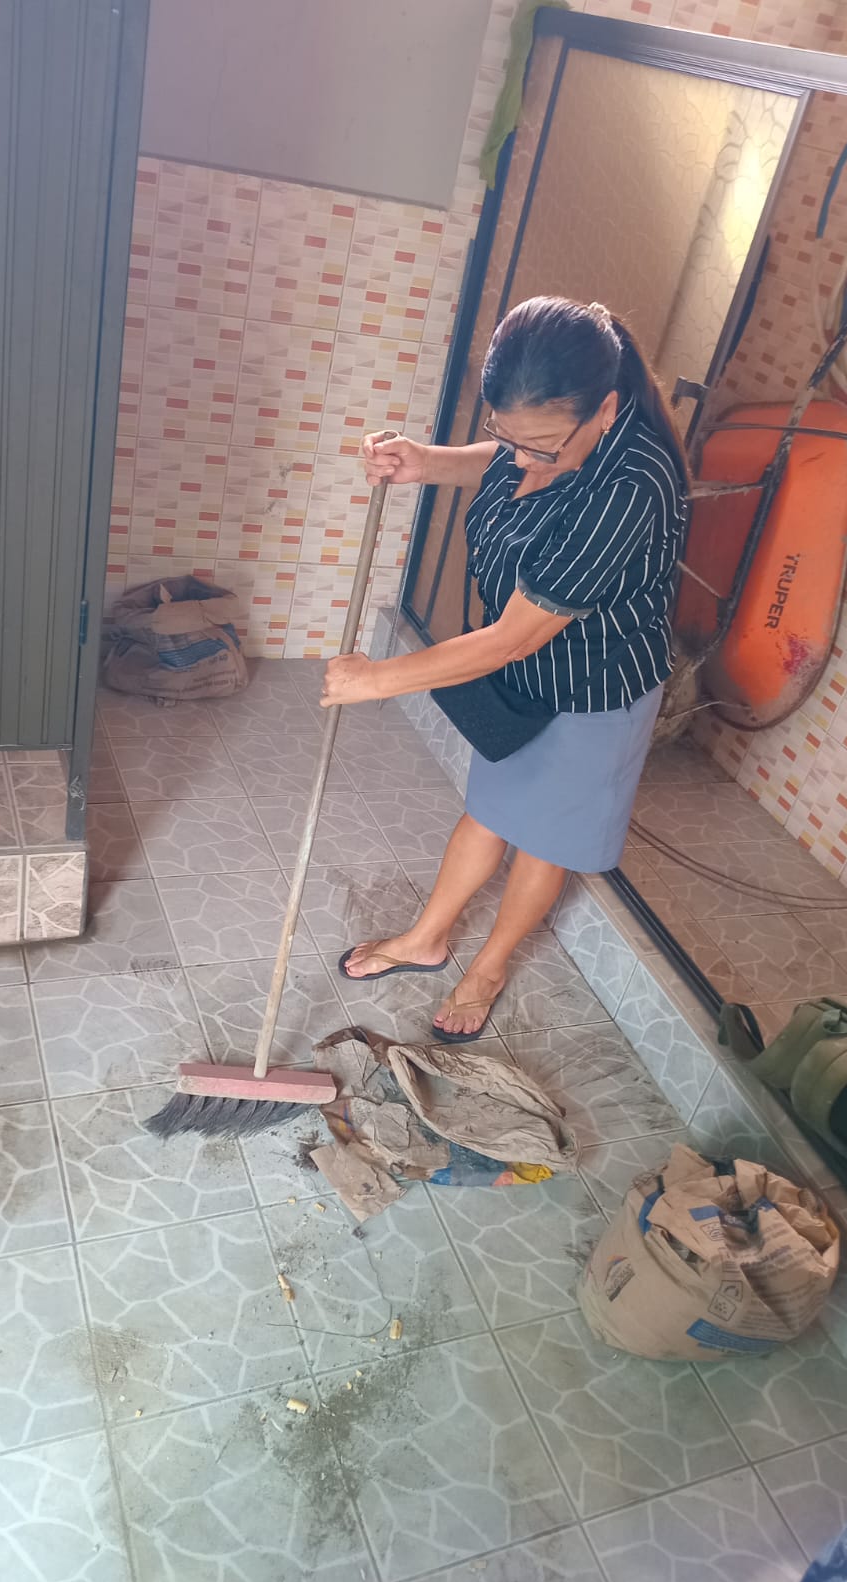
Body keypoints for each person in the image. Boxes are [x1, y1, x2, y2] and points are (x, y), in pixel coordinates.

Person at [321, 296, 690, 1043]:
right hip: (523, 672)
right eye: (507, 435)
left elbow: (512, 638)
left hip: (594, 689)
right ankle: (426, 938)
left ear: (605, 410)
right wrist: (426, 462)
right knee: (490, 810)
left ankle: (488, 969)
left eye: (543, 446)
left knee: (543, 836)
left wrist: (379, 679)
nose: (522, 457)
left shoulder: (631, 487)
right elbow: (503, 460)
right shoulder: (540, 440)